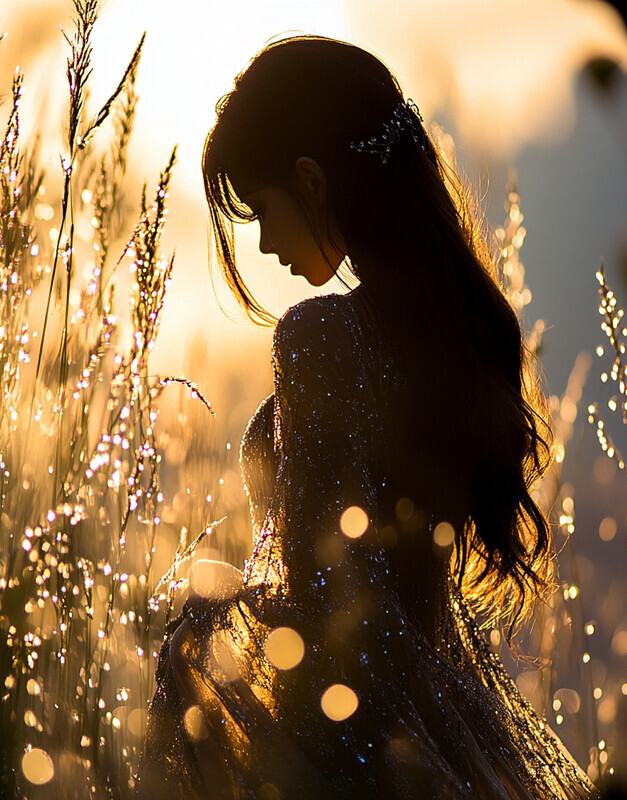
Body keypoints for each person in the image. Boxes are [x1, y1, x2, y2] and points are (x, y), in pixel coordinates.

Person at [137, 35, 599, 800]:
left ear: (312, 180)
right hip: (437, 735)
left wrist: (206, 620)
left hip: (339, 744)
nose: (263, 243)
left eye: (262, 210)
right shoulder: (464, 332)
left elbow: (325, 602)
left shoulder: (320, 337)